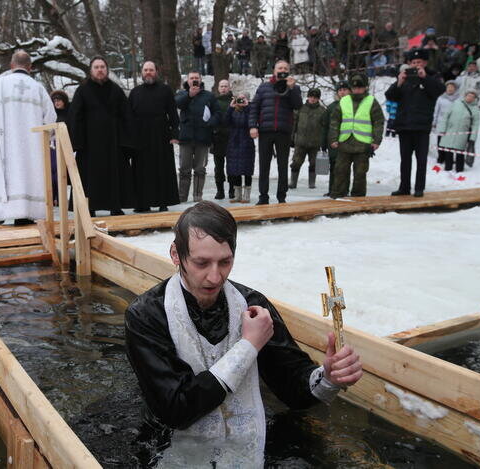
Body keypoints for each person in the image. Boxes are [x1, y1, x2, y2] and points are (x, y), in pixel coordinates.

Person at [125, 201, 363, 468]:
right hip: (170, 444)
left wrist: (328, 377)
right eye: (201, 263)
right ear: (176, 254)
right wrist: (248, 346)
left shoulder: (252, 306)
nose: (214, 277)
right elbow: (176, 409)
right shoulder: (147, 315)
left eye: (225, 262)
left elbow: (292, 389)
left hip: (248, 443)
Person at [0, 51, 56, 225]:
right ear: (30, 67)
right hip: (33, 146)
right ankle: (27, 213)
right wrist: (45, 137)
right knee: (31, 174)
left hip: (7, 143)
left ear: (11, 66)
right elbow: (50, 119)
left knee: (8, 175)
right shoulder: (38, 88)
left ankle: (4, 212)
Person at [70, 56, 135, 216]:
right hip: (90, 143)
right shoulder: (82, 90)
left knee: (115, 174)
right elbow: (75, 116)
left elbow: (126, 115)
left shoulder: (116, 90)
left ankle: (115, 206)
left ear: (107, 70)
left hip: (113, 141)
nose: (100, 70)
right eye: (96, 67)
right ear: (91, 71)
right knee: (89, 176)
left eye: (102, 67)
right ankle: (89, 207)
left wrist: (126, 141)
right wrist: (77, 142)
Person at [386, 49, 445, 197]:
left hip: (421, 126)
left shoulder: (432, 76)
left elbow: (439, 90)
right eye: (413, 62)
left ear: (425, 63)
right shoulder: (405, 77)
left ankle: (419, 188)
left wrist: (424, 78)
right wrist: (399, 82)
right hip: (405, 125)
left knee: (421, 160)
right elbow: (390, 96)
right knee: (405, 159)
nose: (416, 65)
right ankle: (404, 187)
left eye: (419, 62)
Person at [128, 61, 180, 213]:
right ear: (141, 72)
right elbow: (128, 116)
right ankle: (142, 203)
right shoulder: (135, 92)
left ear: (156, 72)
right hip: (140, 137)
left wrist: (174, 133)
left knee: (161, 169)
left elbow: (173, 114)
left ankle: (163, 202)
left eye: (151, 70)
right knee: (141, 171)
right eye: (146, 70)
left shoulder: (165, 90)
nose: (148, 72)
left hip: (160, 136)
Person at [248, 60, 302, 205]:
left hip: (283, 131)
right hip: (265, 130)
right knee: (264, 165)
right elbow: (254, 107)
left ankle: (281, 196)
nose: (282, 70)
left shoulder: (293, 87)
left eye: (285, 68)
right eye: (280, 68)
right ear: (274, 71)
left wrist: (291, 89)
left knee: (282, 165)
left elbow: (298, 106)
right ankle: (263, 196)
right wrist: (253, 126)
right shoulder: (264, 87)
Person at [328, 74, 384, 198]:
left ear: (365, 87)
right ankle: (338, 195)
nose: (357, 90)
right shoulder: (344, 101)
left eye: (360, 87)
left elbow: (378, 122)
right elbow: (334, 121)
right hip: (345, 141)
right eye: (354, 88)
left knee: (360, 173)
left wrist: (376, 140)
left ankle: (358, 197)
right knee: (340, 171)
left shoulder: (371, 101)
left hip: (363, 144)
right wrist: (333, 138)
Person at [175, 71, 221, 203]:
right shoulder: (182, 94)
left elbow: (217, 113)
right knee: (184, 169)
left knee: (200, 169)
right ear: (187, 80)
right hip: (185, 138)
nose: (194, 80)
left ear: (200, 80)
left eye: (196, 78)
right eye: (192, 78)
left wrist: (210, 123)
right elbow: (177, 104)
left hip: (203, 137)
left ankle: (197, 196)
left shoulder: (209, 96)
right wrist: (190, 95)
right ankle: (182, 196)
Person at [290, 88, 328, 189]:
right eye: (311, 96)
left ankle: (312, 183)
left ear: (318, 99)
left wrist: (324, 142)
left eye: (315, 97)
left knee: (313, 164)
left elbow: (325, 128)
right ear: (308, 97)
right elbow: (294, 124)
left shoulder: (322, 111)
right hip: (300, 142)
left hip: (315, 143)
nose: (313, 99)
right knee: (296, 163)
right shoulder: (300, 108)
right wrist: (292, 138)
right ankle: (293, 182)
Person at [437, 90, 480, 172]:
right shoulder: (456, 103)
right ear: (465, 96)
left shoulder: (475, 109)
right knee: (448, 150)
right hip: (450, 130)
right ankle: (448, 168)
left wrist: (473, 137)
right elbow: (446, 115)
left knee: (460, 152)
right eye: (468, 95)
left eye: (472, 97)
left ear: (475, 99)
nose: (470, 98)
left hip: (463, 133)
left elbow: (475, 124)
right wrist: (442, 129)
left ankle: (459, 170)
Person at [225, 92, 254, 203]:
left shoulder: (251, 110)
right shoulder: (233, 110)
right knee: (235, 169)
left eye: (243, 98)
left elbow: (251, 121)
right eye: (239, 99)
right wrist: (230, 108)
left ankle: (246, 195)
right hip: (234, 143)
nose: (241, 101)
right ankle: (237, 195)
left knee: (247, 169)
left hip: (247, 142)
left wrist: (247, 107)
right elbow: (226, 122)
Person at [323, 81, 350, 197]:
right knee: (333, 165)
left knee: (345, 166)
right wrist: (323, 142)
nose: (342, 92)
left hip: (348, 141)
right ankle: (332, 189)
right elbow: (324, 125)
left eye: (344, 90)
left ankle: (344, 190)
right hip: (333, 141)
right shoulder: (331, 107)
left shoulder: (353, 105)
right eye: (340, 90)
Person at [211, 79, 233, 200]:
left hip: (231, 138)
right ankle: (220, 190)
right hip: (218, 138)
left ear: (229, 88)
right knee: (218, 167)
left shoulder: (234, 101)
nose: (224, 88)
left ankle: (232, 189)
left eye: (226, 86)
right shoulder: (214, 102)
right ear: (218, 88)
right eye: (221, 86)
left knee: (232, 166)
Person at [433, 81, 460, 163]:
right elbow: (436, 111)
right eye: (449, 87)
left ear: (455, 89)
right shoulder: (441, 98)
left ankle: (449, 158)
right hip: (441, 122)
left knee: (450, 141)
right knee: (440, 140)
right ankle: (441, 157)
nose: (450, 89)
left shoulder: (458, 99)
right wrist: (434, 122)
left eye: (452, 87)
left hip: (452, 123)